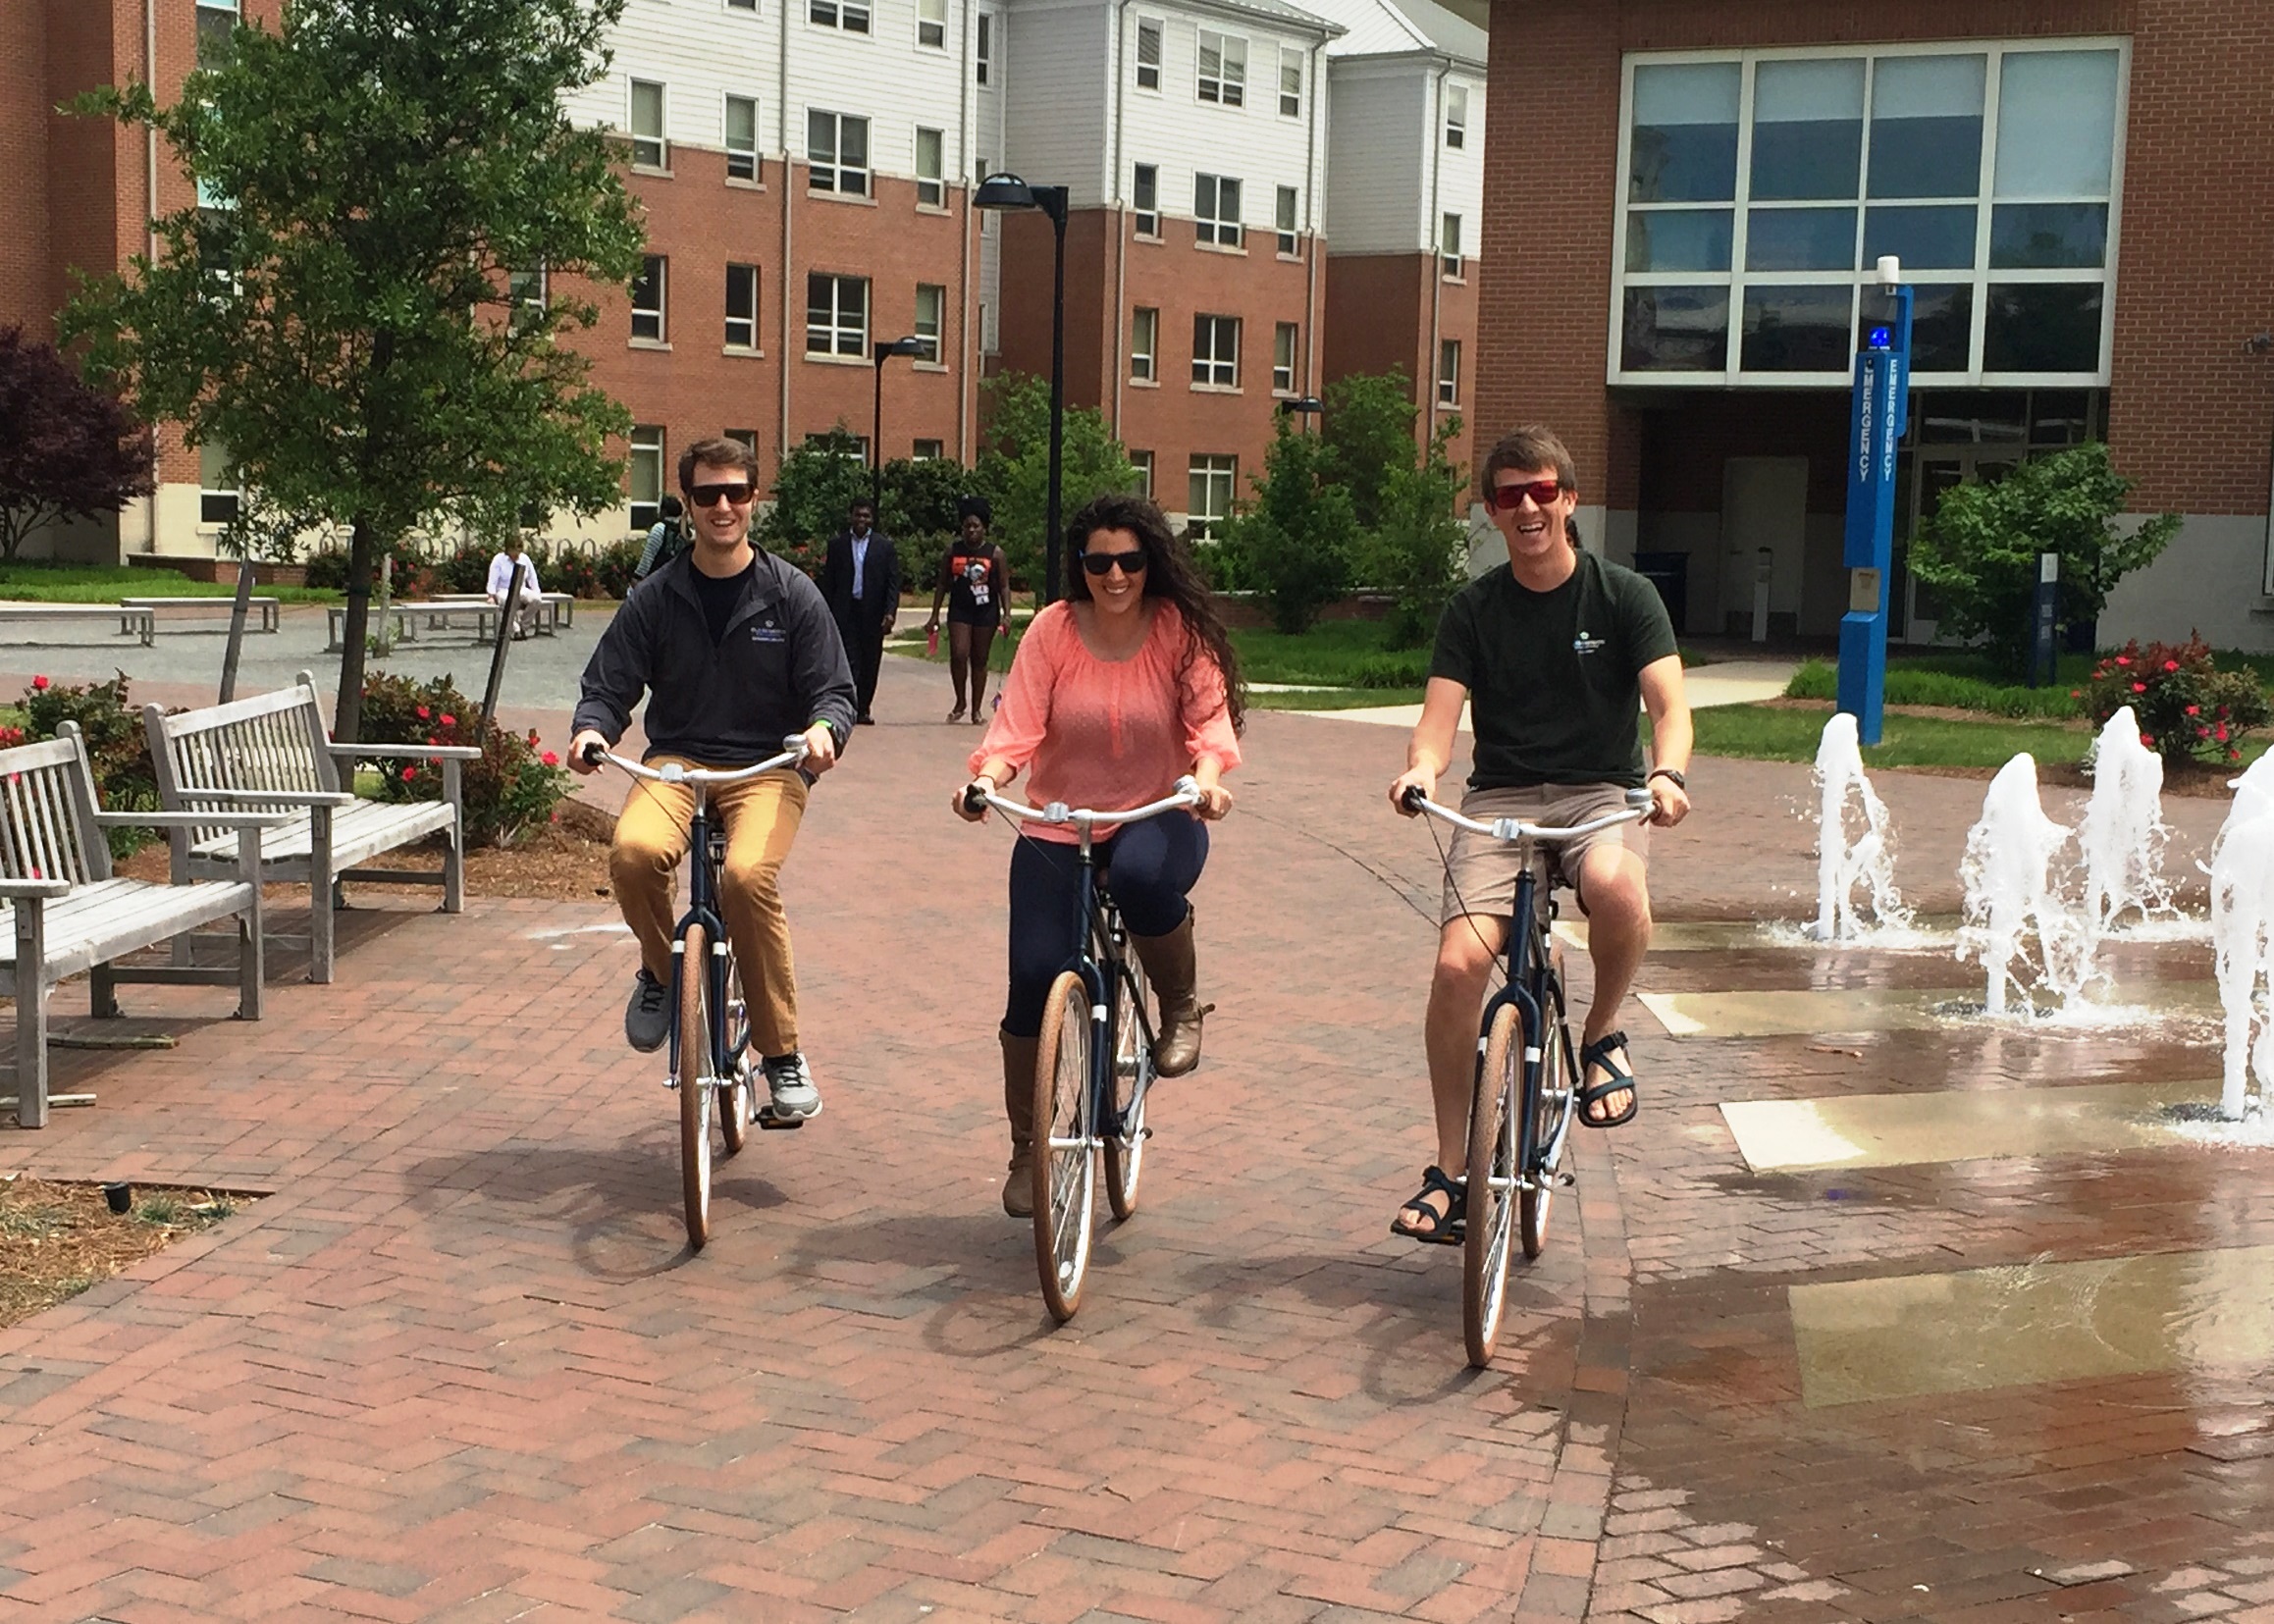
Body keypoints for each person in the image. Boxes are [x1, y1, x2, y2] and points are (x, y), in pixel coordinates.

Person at [1385, 424, 1692, 1244]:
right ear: (1490, 510)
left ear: (1567, 498)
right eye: (1508, 495)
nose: (1527, 507)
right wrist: (1422, 770)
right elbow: (1438, 721)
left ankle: (1600, 1036)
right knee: (1456, 968)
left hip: (1601, 794)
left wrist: (1665, 775)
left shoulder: (1622, 595)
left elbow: (1669, 706)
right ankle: (1452, 1169)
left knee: (1615, 886)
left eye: (1541, 491)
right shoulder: (1474, 609)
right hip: (1503, 799)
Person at [953, 492, 1243, 1216]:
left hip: (1157, 810)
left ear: (1151, 561)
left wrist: (1206, 784)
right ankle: (1028, 1147)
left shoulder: (1177, 630)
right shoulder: (1051, 631)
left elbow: (1208, 724)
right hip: (1062, 822)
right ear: (1078, 565)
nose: (1114, 577)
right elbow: (1016, 727)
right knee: (1030, 974)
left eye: (1130, 561)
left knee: (1144, 876)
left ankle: (1179, 1006)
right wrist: (985, 780)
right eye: (1098, 562)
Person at [568, 436, 857, 1124]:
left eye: (735, 492)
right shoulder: (657, 597)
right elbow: (608, 686)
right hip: (677, 764)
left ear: (755, 500)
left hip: (767, 767)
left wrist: (823, 731)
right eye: (707, 495)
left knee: (746, 876)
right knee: (633, 856)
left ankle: (783, 1056)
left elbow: (834, 692)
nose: (722, 506)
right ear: (686, 505)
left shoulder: (792, 594)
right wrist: (592, 729)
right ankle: (663, 974)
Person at [925, 496, 1008, 724]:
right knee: (959, 654)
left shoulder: (995, 553)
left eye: (976, 526)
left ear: (984, 528)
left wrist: (1007, 614)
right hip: (960, 610)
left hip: (986, 612)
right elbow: (942, 583)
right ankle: (960, 701)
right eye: (967, 526)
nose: (971, 530)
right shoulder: (952, 551)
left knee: (980, 659)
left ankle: (976, 710)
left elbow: (1003, 586)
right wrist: (934, 614)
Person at [820, 498, 900, 725]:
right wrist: (826, 612)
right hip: (845, 611)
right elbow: (829, 582)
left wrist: (890, 612)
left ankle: (863, 708)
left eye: (866, 515)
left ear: (872, 519)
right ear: (851, 516)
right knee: (847, 660)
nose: (861, 519)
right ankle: (849, 706)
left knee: (870, 662)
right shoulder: (838, 545)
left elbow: (893, 582)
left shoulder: (884, 547)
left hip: (873, 613)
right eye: (858, 515)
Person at [486, 540, 544, 640]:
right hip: (504, 589)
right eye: (514, 552)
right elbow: (492, 579)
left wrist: (536, 592)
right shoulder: (499, 560)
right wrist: (491, 595)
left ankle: (523, 626)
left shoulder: (525, 559)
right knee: (505, 602)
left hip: (521, 588)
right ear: (509, 550)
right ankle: (516, 629)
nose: (517, 555)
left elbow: (532, 577)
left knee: (536, 600)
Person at [634, 494, 685, 581]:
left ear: (664, 511)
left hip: (658, 581)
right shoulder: (685, 531)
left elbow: (648, 556)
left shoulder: (659, 528)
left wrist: (637, 577)